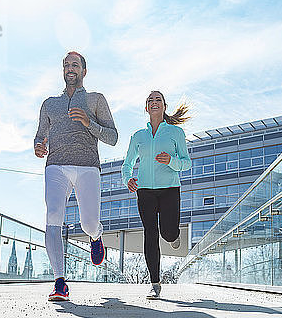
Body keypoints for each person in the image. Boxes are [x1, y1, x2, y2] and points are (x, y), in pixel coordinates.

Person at [34, 51, 118, 301]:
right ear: (63, 70)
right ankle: (60, 281)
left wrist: (89, 124)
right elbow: (40, 135)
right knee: (53, 216)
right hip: (56, 166)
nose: (71, 68)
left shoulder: (95, 99)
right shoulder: (49, 103)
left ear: (84, 70)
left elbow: (113, 137)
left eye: (75, 65)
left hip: (88, 166)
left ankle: (96, 236)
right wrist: (39, 146)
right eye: (66, 65)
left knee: (88, 223)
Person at [122, 91, 191, 299]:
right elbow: (127, 164)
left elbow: (186, 163)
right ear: (146, 108)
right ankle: (155, 283)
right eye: (150, 100)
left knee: (167, 233)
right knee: (150, 234)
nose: (154, 102)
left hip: (170, 189)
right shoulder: (138, 136)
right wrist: (128, 179)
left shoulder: (175, 133)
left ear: (164, 106)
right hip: (145, 192)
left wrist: (171, 160)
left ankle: (174, 236)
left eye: (158, 99)